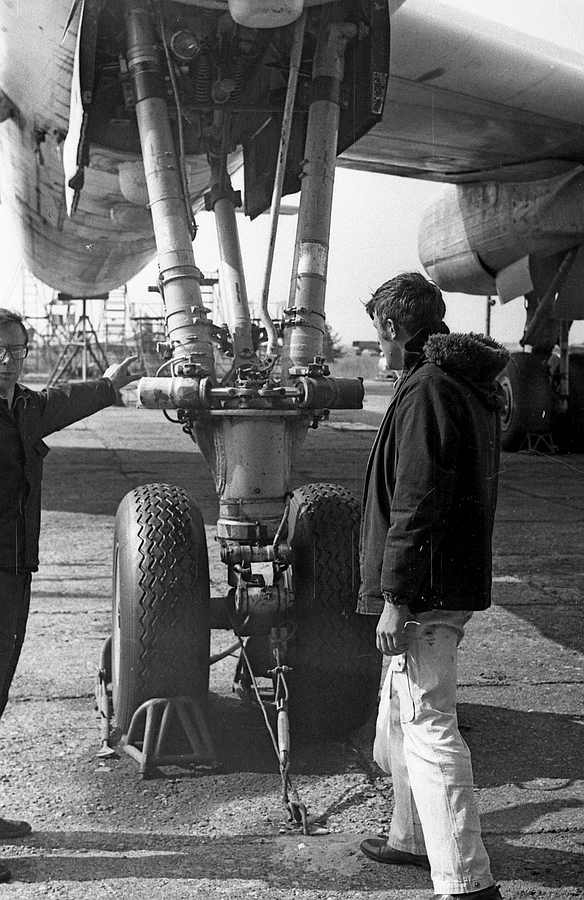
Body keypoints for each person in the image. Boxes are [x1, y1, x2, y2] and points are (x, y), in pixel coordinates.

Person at [357, 273, 509, 900]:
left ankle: (466, 881)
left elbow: (417, 500)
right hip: (445, 579)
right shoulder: (460, 381)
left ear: (394, 327)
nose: (378, 346)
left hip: (425, 591)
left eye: (378, 334)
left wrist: (395, 598)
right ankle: (412, 837)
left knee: (427, 724)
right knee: (398, 717)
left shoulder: (426, 389)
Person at [0, 308, 137, 883]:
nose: (7, 360)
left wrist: (108, 384)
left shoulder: (22, 406)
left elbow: (61, 403)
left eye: (16, 350)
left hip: (13, 570)